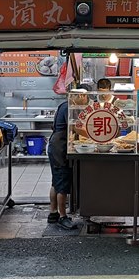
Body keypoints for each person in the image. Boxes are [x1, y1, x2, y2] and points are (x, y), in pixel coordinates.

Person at [47, 89, 88, 230]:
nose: (86, 100)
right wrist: (93, 135)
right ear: (79, 96)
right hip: (60, 147)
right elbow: (76, 128)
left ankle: (53, 213)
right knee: (62, 183)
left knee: (56, 181)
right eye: (85, 97)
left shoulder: (65, 105)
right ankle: (63, 217)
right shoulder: (68, 107)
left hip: (56, 145)